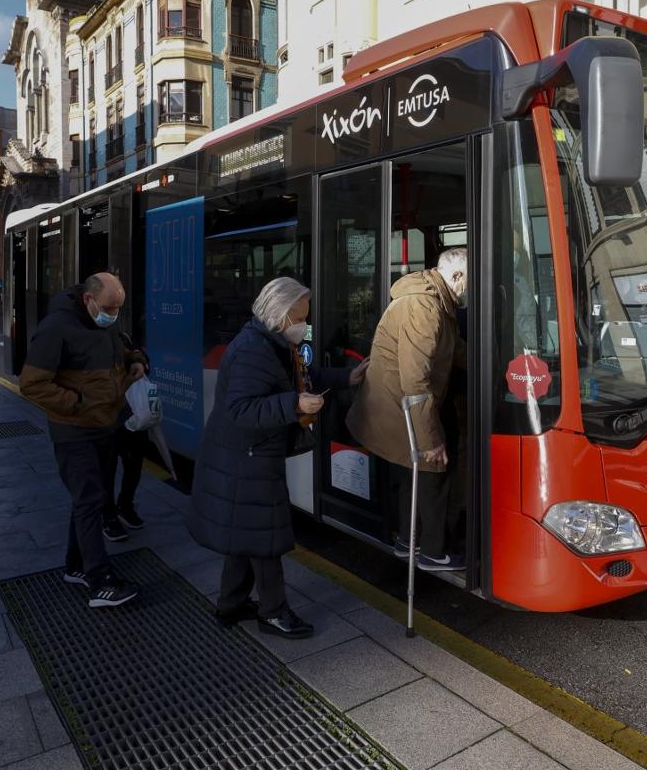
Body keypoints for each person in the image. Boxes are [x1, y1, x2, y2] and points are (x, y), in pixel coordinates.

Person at [187, 277, 367, 639]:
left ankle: (230, 604)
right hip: (245, 459)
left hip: (248, 456)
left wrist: (347, 377)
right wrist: (293, 405)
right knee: (263, 537)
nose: (305, 323)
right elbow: (240, 409)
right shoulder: (253, 350)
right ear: (280, 314)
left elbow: (304, 376)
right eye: (300, 316)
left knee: (246, 533)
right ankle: (273, 612)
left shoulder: (272, 342)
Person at [19, 272, 146, 609]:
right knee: (90, 500)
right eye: (109, 307)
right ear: (89, 300)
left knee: (92, 498)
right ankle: (99, 580)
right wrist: (78, 405)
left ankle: (75, 565)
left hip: (106, 425)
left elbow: (118, 355)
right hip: (74, 430)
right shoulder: (57, 327)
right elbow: (32, 384)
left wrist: (134, 362)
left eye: (119, 307)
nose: (114, 313)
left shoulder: (104, 324)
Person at [347, 247, 468, 572]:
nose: (471, 288)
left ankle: (407, 540)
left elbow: (452, 348)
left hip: (396, 407)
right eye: (470, 280)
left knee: (411, 474)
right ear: (456, 276)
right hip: (396, 407)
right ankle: (432, 551)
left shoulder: (438, 302)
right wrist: (431, 439)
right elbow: (416, 381)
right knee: (433, 469)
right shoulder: (424, 307)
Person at [109, 330, 150, 530]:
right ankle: (108, 514)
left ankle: (125, 505)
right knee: (107, 471)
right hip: (108, 423)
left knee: (133, 467)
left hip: (133, 422)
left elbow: (144, 364)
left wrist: (139, 361)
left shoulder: (128, 348)